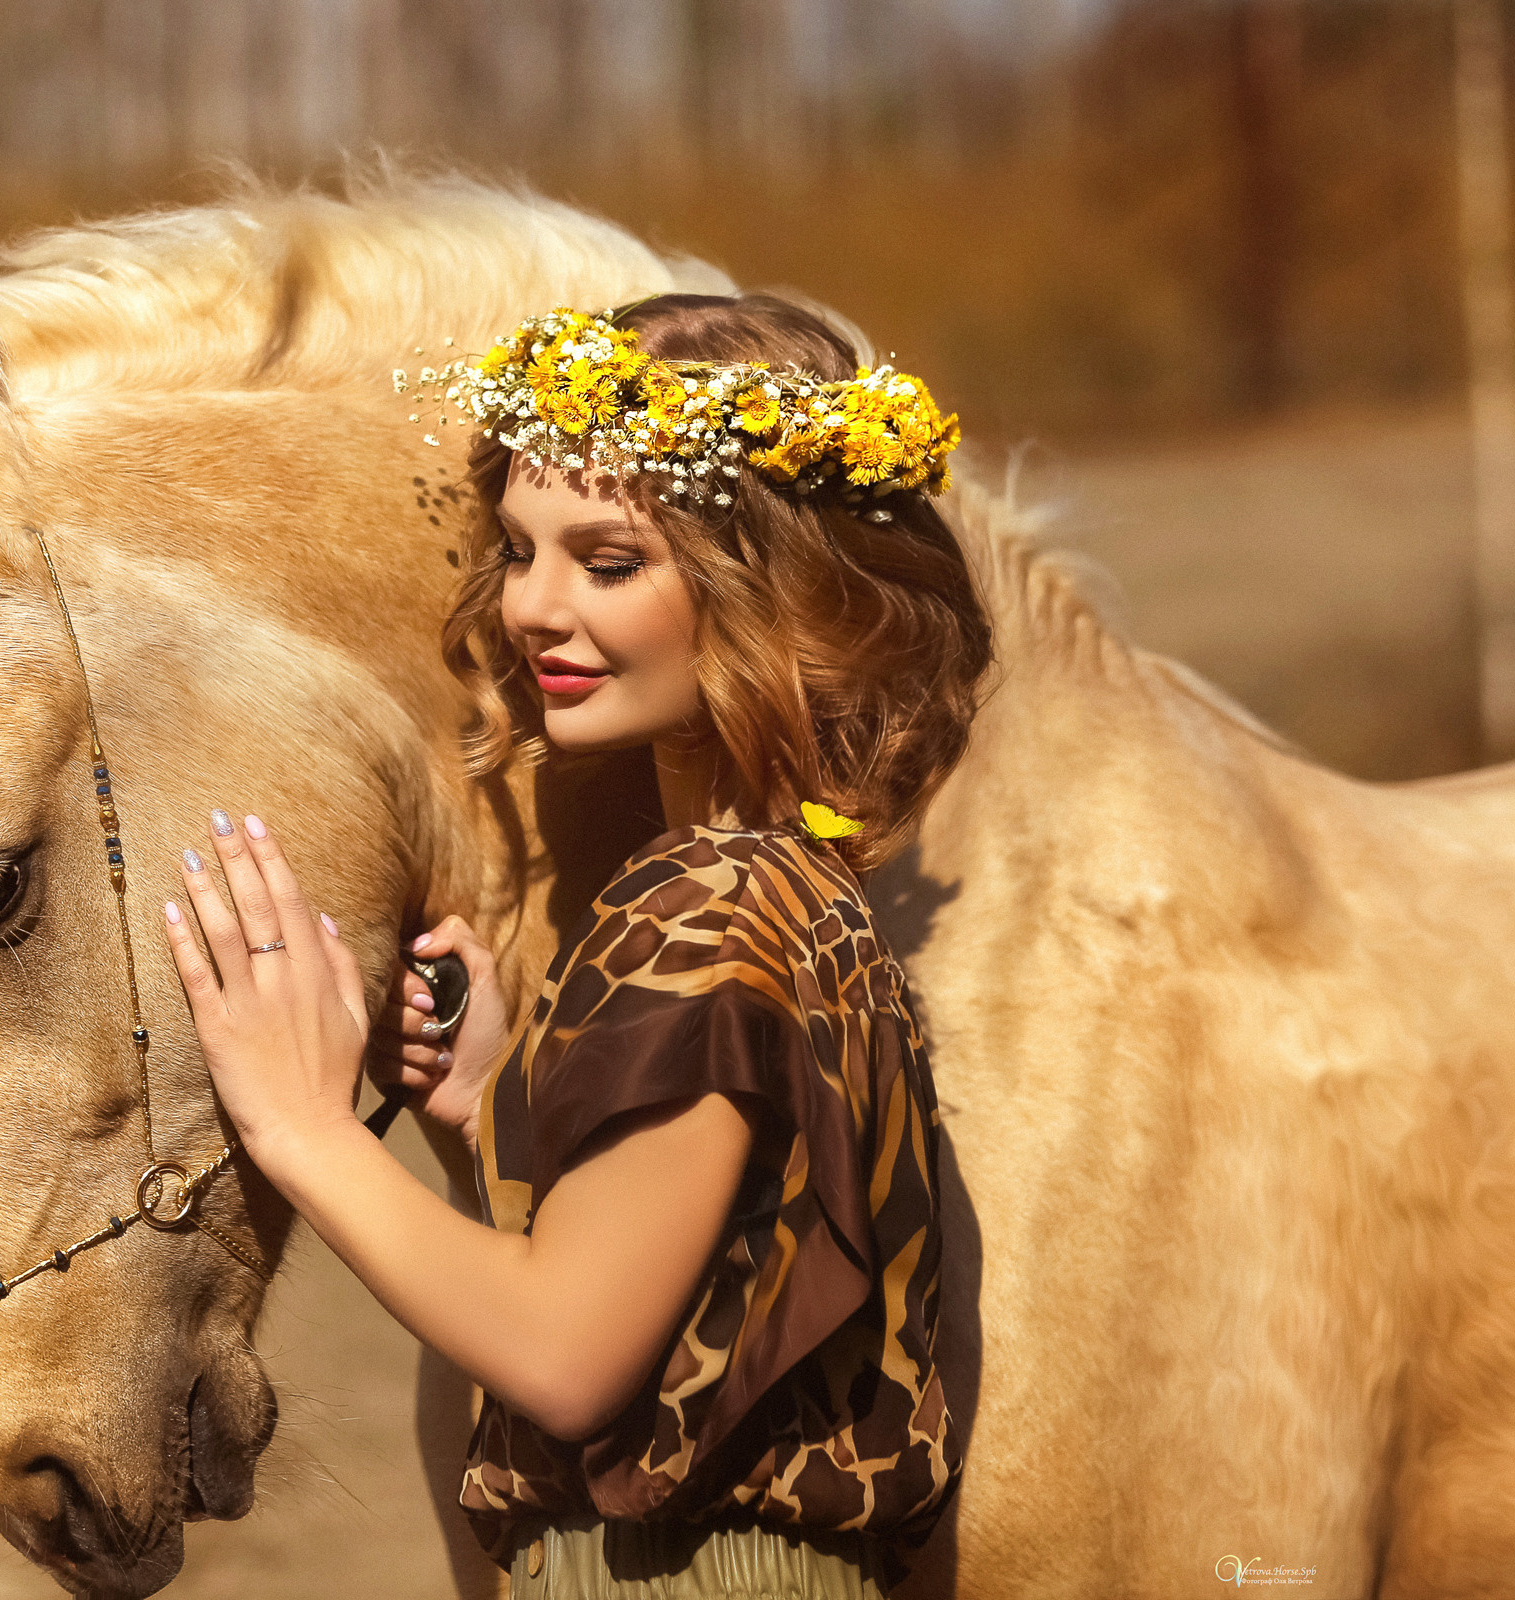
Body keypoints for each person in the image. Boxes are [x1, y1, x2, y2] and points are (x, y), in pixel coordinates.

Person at [159, 292, 990, 1598]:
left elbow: (564, 1357)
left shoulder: (710, 908)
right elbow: (703, 1299)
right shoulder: (798, 892)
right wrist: (499, 1105)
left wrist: (302, 1126)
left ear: (773, 591)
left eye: (608, 564)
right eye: (517, 550)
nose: (533, 608)